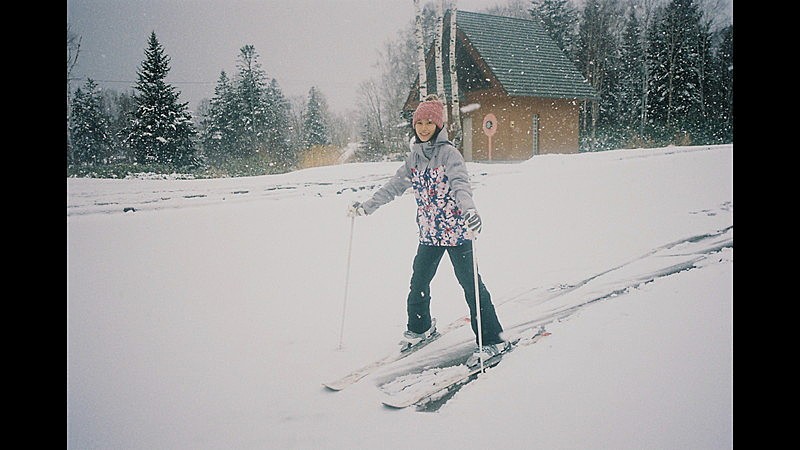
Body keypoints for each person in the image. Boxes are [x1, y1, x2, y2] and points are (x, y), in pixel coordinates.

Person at [347, 94, 507, 367]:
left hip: (458, 234)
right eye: (418, 122)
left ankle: (493, 339)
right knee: (418, 283)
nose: (423, 127)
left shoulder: (450, 155)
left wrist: (470, 211)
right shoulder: (414, 159)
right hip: (430, 234)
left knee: (472, 287)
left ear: (438, 125)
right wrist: (367, 206)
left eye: (428, 122)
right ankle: (421, 328)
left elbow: (460, 186)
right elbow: (393, 186)